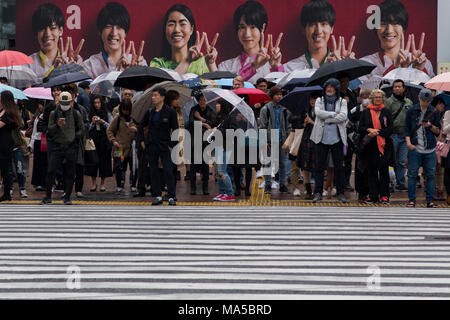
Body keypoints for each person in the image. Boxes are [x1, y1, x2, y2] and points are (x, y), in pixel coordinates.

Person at [360, 0, 434, 80]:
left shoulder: (422, 62)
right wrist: (395, 69)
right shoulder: (364, 65)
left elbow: (433, 92)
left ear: (403, 28)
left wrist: (419, 72)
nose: (389, 30)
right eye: (383, 24)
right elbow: (363, 92)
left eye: (395, 23)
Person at [218, 0, 283, 83]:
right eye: (242, 27)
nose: (247, 34)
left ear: (262, 28)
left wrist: (276, 68)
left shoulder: (272, 65)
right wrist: (253, 67)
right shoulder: (226, 67)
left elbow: (282, 92)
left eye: (252, 27)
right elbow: (225, 89)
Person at [282, 0, 355, 72]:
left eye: (323, 24)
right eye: (312, 24)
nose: (319, 31)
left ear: (332, 29)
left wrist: (348, 72)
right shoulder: (290, 69)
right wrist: (276, 68)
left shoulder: (342, 64)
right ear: (304, 29)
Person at [41, 91, 84, 205]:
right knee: (51, 171)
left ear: (71, 102)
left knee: (70, 172)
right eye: (62, 103)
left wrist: (75, 136)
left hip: (71, 146)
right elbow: (50, 129)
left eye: (67, 103)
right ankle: (48, 196)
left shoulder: (76, 114)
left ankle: (67, 196)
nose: (65, 105)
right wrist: (57, 125)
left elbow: (82, 128)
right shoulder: (53, 113)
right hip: (57, 146)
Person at [150, 4, 218, 76]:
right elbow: (164, 86)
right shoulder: (157, 64)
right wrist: (187, 61)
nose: (176, 29)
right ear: (165, 29)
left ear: (191, 30)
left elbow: (219, 86)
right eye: (171, 24)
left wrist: (211, 64)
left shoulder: (203, 63)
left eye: (182, 24)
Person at [83, 2, 146, 79]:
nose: (114, 33)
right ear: (100, 31)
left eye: (119, 27)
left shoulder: (138, 63)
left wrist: (133, 74)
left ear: (125, 33)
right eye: (108, 26)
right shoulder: (90, 65)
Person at [138, 87, 178, 206]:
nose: (153, 98)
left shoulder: (170, 112)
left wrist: (172, 145)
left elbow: (176, 129)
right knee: (153, 171)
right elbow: (141, 126)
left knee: (168, 170)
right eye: (153, 95)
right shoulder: (150, 112)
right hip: (151, 145)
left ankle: (171, 195)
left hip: (165, 145)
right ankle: (158, 195)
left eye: (155, 95)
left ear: (162, 97)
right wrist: (142, 141)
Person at [310, 78, 348, 203]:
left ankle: (341, 193)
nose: (329, 89)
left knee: (339, 167)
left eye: (332, 87)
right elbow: (318, 113)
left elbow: (343, 116)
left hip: (337, 138)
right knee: (319, 167)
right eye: (327, 87)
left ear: (336, 88)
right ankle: (318, 193)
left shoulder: (342, 101)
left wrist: (327, 118)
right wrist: (333, 114)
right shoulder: (319, 100)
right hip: (321, 138)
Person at [29, 3, 84, 82]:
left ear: (60, 31)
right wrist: (54, 71)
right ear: (35, 33)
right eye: (42, 29)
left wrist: (76, 71)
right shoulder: (28, 64)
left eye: (52, 28)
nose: (47, 34)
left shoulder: (69, 64)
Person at [404, 88, 441, 208]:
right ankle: (411, 200)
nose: (426, 103)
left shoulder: (434, 112)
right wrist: (408, 143)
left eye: (428, 101)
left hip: (430, 148)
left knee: (430, 174)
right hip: (415, 147)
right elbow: (406, 129)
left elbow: (438, 131)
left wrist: (430, 125)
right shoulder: (411, 110)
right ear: (419, 98)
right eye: (424, 100)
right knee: (412, 174)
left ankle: (430, 201)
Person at [358, 89, 394, 204]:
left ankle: (384, 195)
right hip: (370, 145)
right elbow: (361, 128)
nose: (378, 99)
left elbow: (390, 129)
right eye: (376, 97)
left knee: (384, 171)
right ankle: (373, 195)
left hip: (384, 145)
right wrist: (369, 130)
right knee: (371, 171)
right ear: (372, 99)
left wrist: (377, 132)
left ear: (383, 98)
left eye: (380, 97)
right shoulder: (366, 112)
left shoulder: (387, 112)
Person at [260, 86, 291, 195]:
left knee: (282, 163)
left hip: (282, 138)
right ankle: (268, 184)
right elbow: (262, 126)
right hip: (270, 139)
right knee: (268, 163)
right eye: (277, 94)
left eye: (281, 94)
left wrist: (288, 138)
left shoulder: (285, 109)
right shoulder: (266, 109)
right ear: (272, 96)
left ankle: (282, 184)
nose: (279, 96)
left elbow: (288, 125)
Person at [385, 79, 413, 191]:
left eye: (399, 86)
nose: (397, 88)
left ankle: (400, 183)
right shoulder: (388, 102)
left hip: (405, 136)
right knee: (391, 160)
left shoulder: (409, 102)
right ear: (392, 89)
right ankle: (389, 183)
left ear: (403, 88)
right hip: (393, 135)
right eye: (395, 86)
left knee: (402, 161)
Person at [107, 98, 138, 193]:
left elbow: (141, 129)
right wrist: (113, 140)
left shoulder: (135, 118)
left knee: (134, 166)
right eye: (124, 109)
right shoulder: (118, 118)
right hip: (119, 146)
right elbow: (109, 130)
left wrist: (136, 130)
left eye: (127, 109)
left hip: (132, 147)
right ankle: (119, 184)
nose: (126, 111)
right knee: (119, 167)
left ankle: (133, 184)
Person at [188, 93, 215, 195]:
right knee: (194, 165)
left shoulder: (210, 110)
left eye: (204, 100)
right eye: (200, 100)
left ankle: (205, 188)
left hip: (206, 141)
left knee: (205, 165)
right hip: (195, 141)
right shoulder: (193, 109)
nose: (202, 102)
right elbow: (190, 121)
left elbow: (212, 123)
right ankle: (193, 188)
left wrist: (200, 118)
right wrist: (203, 124)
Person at [296, 92, 321, 199]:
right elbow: (298, 124)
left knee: (317, 166)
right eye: (311, 99)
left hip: (317, 141)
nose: (312, 101)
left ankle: (317, 190)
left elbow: (324, 127)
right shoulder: (305, 111)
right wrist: (304, 123)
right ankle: (308, 190)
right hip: (306, 140)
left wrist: (312, 122)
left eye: (315, 99)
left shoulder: (321, 112)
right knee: (305, 167)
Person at [85, 95, 113, 192]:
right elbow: (86, 127)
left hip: (104, 141)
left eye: (99, 103)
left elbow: (111, 126)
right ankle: (93, 183)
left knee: (104, 162)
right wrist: (93, 123)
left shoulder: (107, 113)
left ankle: (102, 183)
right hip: (93, 140)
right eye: (95, 103)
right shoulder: (90, 113)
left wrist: (103, 122)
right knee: (93, 161)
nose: (97, 105)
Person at [212, 98, 236, 202]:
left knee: (222, 171)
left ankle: (230, 194)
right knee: (218, 171)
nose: (216, 106)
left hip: (226, 147)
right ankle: (222, 193)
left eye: (218, 104)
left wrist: (219, 130)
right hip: (218, 146)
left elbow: (232, 132)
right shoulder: (220, 117)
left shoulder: (230, 118)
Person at [0, 91, 22, 202]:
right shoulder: (3, 111)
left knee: (5, 169)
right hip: (2, 142)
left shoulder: (8, 113)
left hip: (5, 143)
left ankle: (7, 194)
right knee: (4, 169)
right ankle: (6, 193)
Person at [338, 74, 358, 191]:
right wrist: (342, 102)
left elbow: (354, 111)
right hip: (338, 130)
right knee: (338, 158)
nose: (345, 84)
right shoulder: (336, 96)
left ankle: (346, 181)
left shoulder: (351, 94)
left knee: (349, 157)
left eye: (346, 81)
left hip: (350, 130)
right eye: (342, 82)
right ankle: (337, 182)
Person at [28, 100, 47, 191]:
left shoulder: (46, 115)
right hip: (37, 140)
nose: (39, 106)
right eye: (39, 104)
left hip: (43, 140)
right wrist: (31, 144)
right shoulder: (38, 116)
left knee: (43, 162)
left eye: (41, 104)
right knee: (37, 162)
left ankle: (43, 182)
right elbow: (34, 131)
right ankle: (37, 182)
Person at [442, 109, 450, 205]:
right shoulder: (448, 113)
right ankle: (449, 194)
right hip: (449, 145)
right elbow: (444, 129)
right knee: (448, 171)